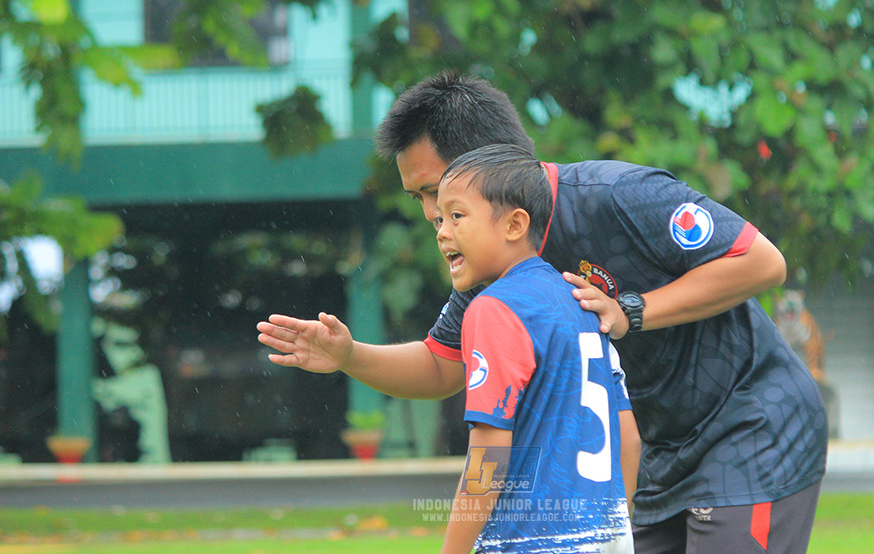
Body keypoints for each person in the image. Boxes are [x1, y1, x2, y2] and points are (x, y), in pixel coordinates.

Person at [257, 71, 828, 554]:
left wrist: (633, 309)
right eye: (422, 202)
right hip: (657, 457)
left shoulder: (617, 194)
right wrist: (349, 355)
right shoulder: (493, 278)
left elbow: (762, 262)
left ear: (490, 166)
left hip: (750, 426)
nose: (434, 217)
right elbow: (440, 367)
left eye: (437, 193)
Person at [436, 143, 632, 553]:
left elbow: (489, 453)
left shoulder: (495, 308)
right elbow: (627, 437)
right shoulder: (583, 300)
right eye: (440, 218)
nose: (441, 231)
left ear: (514, 225)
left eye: (456, 215)